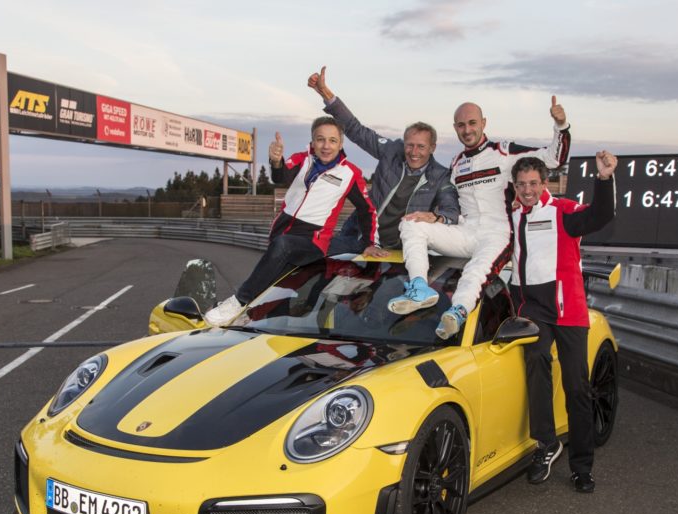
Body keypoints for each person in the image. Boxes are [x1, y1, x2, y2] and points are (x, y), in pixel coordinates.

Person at [390, 99, 572, 339]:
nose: (467, 130)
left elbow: (553, 158)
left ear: (484, 123)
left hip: (497, 233)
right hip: (465, 231)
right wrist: (434, 217)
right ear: (455, 128)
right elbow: (449, 205)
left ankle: (458, 311)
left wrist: (561, 125)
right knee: (411, 223)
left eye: (472, 123)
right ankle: (420, 288)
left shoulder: (504, 151)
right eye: (461, 125)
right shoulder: (456, 163)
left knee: (475, 272)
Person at [509, 152, 617, 493]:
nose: (527, 190)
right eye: (521, 184)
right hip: (532, 309)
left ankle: (582, 467)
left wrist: (603, 180)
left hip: (568, 308)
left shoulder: (564, 211)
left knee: (577, 387)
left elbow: (601, 215)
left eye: (533, 184)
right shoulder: (510, 215)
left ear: (545, 184)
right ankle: (546, 444)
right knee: (536, 360)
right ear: (515, 186)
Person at [205, 117, 377, 326]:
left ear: (340, 144)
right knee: (279, 290)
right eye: (320, 139)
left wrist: (370, 242)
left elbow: (367, 209)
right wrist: (276, 161)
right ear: (313, 141)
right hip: (283, 230)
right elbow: (281, 177)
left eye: (332, 140)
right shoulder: (301, 159)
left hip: (313, 240)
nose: (326, 146)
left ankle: (240, 301)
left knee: (283, 246)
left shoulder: (350, 173)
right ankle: (255, 318)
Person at [307, 66, 460, 257]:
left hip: (395, 249)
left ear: (432, 148)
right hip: (358, 236)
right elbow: (356, 130)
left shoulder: (441, 176)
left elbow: (451, 210)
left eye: (421, 146)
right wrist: (325, 93)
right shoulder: (392, 151)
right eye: (409, 145)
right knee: (317, 267)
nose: (414, 152)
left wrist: (437, 217)